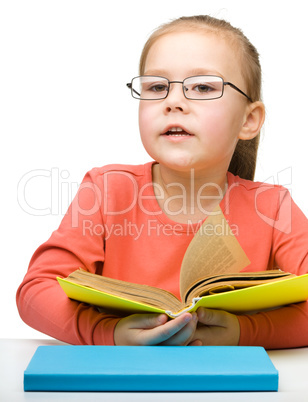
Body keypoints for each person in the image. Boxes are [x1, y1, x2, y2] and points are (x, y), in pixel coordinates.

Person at [16, 15, 308, 349]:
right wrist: (106, 333)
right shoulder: (106, 190)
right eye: (157, 87)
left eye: (202, 87)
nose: (173, 102)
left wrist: (245, 333)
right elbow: (35, 291)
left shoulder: (273, 207)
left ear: (249, 119)